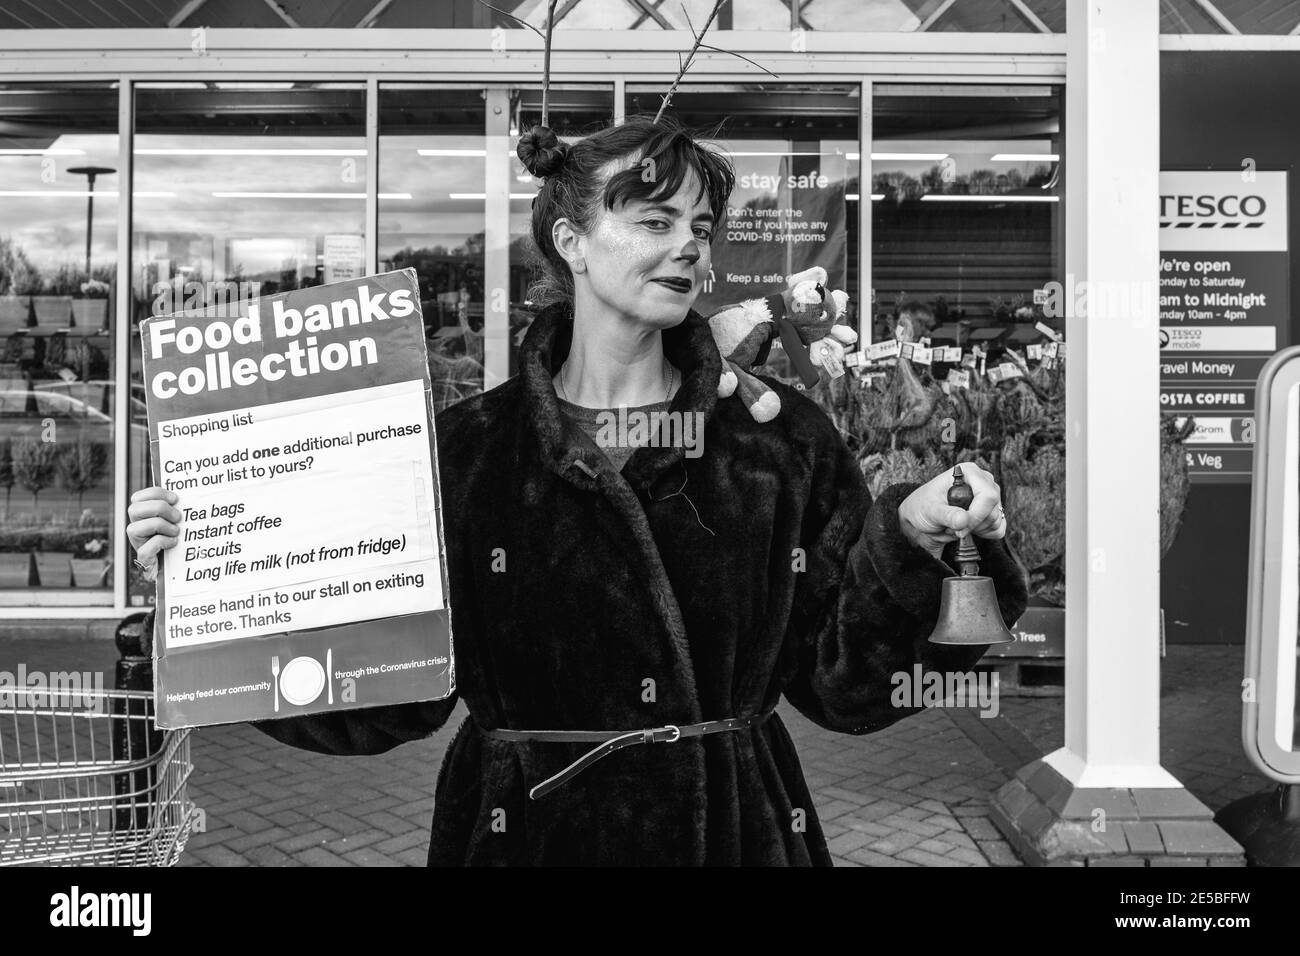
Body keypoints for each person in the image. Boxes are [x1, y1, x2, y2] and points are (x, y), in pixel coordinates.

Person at [127, 116, 1028, 866]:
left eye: (701, 228)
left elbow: (848, 687)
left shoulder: (775, 438)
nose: (688, 247)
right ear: (571, 242)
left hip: (734, 834)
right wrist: (209, 581)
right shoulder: (467, 452)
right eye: (653, 221)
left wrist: (915, 538)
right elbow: (389, 696)